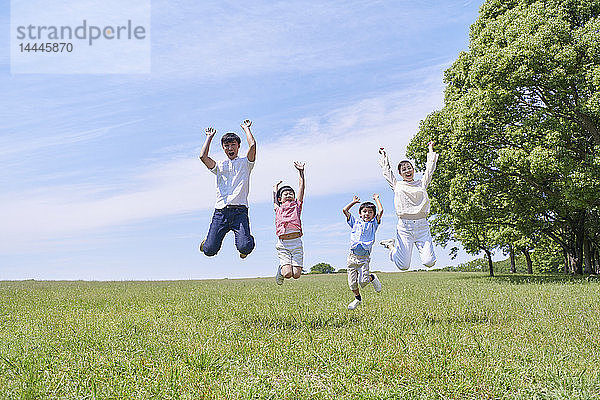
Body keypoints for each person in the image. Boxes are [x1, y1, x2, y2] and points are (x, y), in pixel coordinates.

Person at [198, 119, 256, 258]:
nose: (230, 148)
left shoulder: (245, 164)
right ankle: (208, 242)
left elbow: (253, 145)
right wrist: (209, 137)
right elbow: (203, 156)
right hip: (221, 212)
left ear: (238, 146)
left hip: (240, 212)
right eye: (226, 145)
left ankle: (247, 238)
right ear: (223, 148)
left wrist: (246, 129)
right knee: (209, 250)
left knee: (245, 247)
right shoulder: (219, 165)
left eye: (233, 145)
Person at [378, 141, 438, 270]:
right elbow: (387, 172)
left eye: (409, 167)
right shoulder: (397, 185)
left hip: (422, 226)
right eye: (403, 169)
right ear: (400, 174)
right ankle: (391, 247)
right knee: (403, 266)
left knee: (429, 262)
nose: (407, 170)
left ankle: (393, 247)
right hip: (405, 227)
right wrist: (384, 157)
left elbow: (430, 168)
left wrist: (430, 150)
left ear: (413, 170)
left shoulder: (422, 183)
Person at [343, 194, 383, 310]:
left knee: (363, 282)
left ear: (373, 215)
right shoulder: (355, 223)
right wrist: (353, 202)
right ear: (360, 213)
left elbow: (381, 211)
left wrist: (376, 199)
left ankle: (372, 277)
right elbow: (345, 210)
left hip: (364, 258)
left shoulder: (373, 224)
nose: (367, 214)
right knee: (352, 283)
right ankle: (357, 299)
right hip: (352, 257)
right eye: (364, 211)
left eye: (370, 212)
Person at [273, 162, 306, 285]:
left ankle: (284, 267)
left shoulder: (297, 206)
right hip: (283, 244)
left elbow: (301, 188)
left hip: (296, 243)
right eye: (285, 194)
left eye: (290, 193)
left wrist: (301, 172)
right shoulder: (278, 208)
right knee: (287, 274)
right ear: (280, 199)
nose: (288, 195)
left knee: (296, 275)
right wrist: (275, 189)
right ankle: (281, 270)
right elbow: (274, 198)